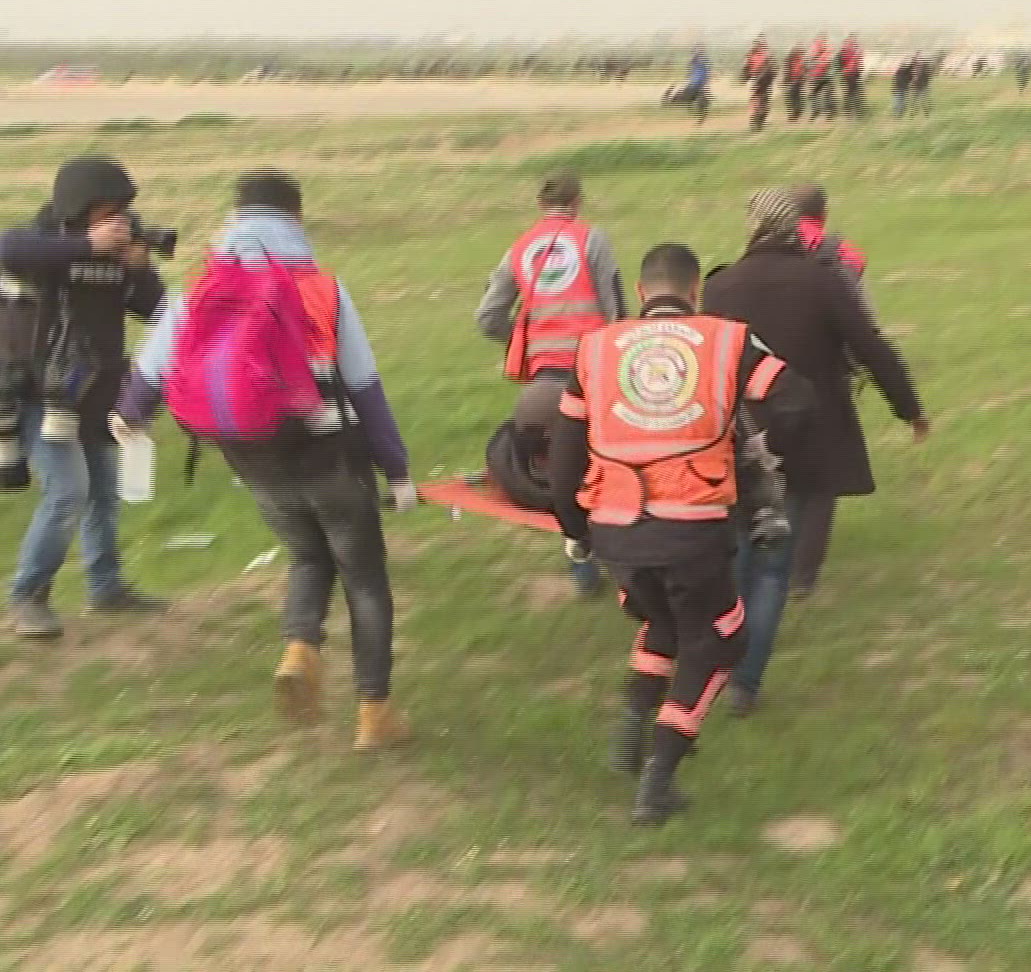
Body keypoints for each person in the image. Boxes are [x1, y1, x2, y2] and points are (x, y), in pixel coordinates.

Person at [119, 171, 414, 748]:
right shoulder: (322, 290)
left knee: (308, 556)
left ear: (235, 219)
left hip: (252, 457)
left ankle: (300, 650)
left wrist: (128, 418)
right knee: (364, 578)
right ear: (295, 219)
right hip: (330, 456)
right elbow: (365, 388)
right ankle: (374, 713)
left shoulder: (201, 290)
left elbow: (146, 380)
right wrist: (397, 469)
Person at [550, 241, 811, 825]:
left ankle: (630, 726)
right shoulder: (727, 340)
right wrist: (742, 438)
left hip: (616, 531)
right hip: (690, 529)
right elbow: (796, 398)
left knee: (665, 623)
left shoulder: (594, 348)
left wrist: (576, 533)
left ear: (641, 292)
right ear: (695, 292)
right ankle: (658, 779)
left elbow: (565, 453)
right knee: (719, 640)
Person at [703, 189, 928, 713]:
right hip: (808, 439)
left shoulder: (720, 286)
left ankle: (718, 664)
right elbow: (871, 347)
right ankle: (745, 684)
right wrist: (909, 409)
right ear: (793, 228)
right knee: (772, 568)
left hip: (737, 440)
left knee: (737, 557)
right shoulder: (823, 281)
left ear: (753, 225)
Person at [0, 157, 169, 639]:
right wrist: (88, 245)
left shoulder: (117, 255)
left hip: (97, 391)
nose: (117, 219)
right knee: (67, 491)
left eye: (121, 209)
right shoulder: (42, 242)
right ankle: (27, 596)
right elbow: (8, 248)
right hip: (39, 393)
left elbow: (157, 309)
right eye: (105, 209)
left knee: (103, 492)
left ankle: (106, 587)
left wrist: (139, 268)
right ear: (76, 207)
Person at [475, 173, 626, 594]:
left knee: (560, 471)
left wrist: (524, 340)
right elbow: (616, 312)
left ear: (541, 205)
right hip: (591, 379)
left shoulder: (519, 248)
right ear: (577, 202)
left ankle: (580, 562)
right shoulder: (592, 240)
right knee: (606, 471)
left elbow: (487, 317)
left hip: (540, 389)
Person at [741, 39, 776, 133]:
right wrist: (747, 79)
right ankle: (754, 121)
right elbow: (745, 68)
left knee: (764, 102)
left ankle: (761, 121)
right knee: (755, 101)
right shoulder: (749, 55)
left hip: (765, 82)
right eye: (755, 45)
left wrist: (769, 80)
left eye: (758, 45)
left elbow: (771, 69)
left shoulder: (765, 55)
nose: (756, 47)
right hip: (754, 80)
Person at [807, 37, 836, 120]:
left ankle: (818, 111)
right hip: (823, 76)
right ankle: (829, 112)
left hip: (818, 76)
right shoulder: (828, 52)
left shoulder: (820, 51)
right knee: (826, 94)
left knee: (816, 94)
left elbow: (810, 64)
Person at [837, 36, 866, 119]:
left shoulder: (849, 51)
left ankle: (850, 110)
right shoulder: (845, 51)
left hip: (853, 73)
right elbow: (841, 62)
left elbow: (859, 61)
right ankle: (850, 111)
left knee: (852, 92)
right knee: (852, 92)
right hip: (850, 74)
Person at [685, 48, 713, 125]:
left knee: (701, 100)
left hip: (700, 83)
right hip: (694, 82)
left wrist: (707, 79)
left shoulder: (703, 60)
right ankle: (696, 111)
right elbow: (690, 67)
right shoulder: (694, 61)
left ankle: (702, 116)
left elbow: (708, 70)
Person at [783, 45, 807, 123]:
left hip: (797, 81)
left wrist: (803, 77)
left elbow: (804, 70)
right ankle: (797, 112)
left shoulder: (800, 59)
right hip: (794, 81)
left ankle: (796, 113)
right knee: (794, 97)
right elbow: (787, 71)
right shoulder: (791, 60)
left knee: (793, 97)